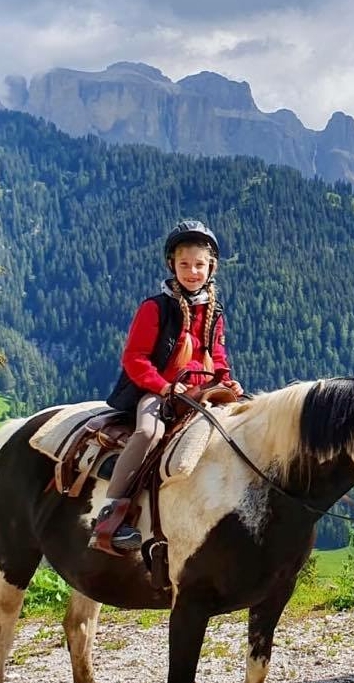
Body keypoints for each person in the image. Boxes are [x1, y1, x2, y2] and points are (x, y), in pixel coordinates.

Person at [91, 219, 245, 552]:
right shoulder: (155, 307)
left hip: (201, 390)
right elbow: (135, 359)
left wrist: (226, 377)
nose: (192, 272)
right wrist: (162, 387)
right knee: (148, 433)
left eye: (200, 265)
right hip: (158, 390)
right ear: (171, 265)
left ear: (211, 267)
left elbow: (216, 354)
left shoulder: (213, 310)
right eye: (185, 264)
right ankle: (111, 513)